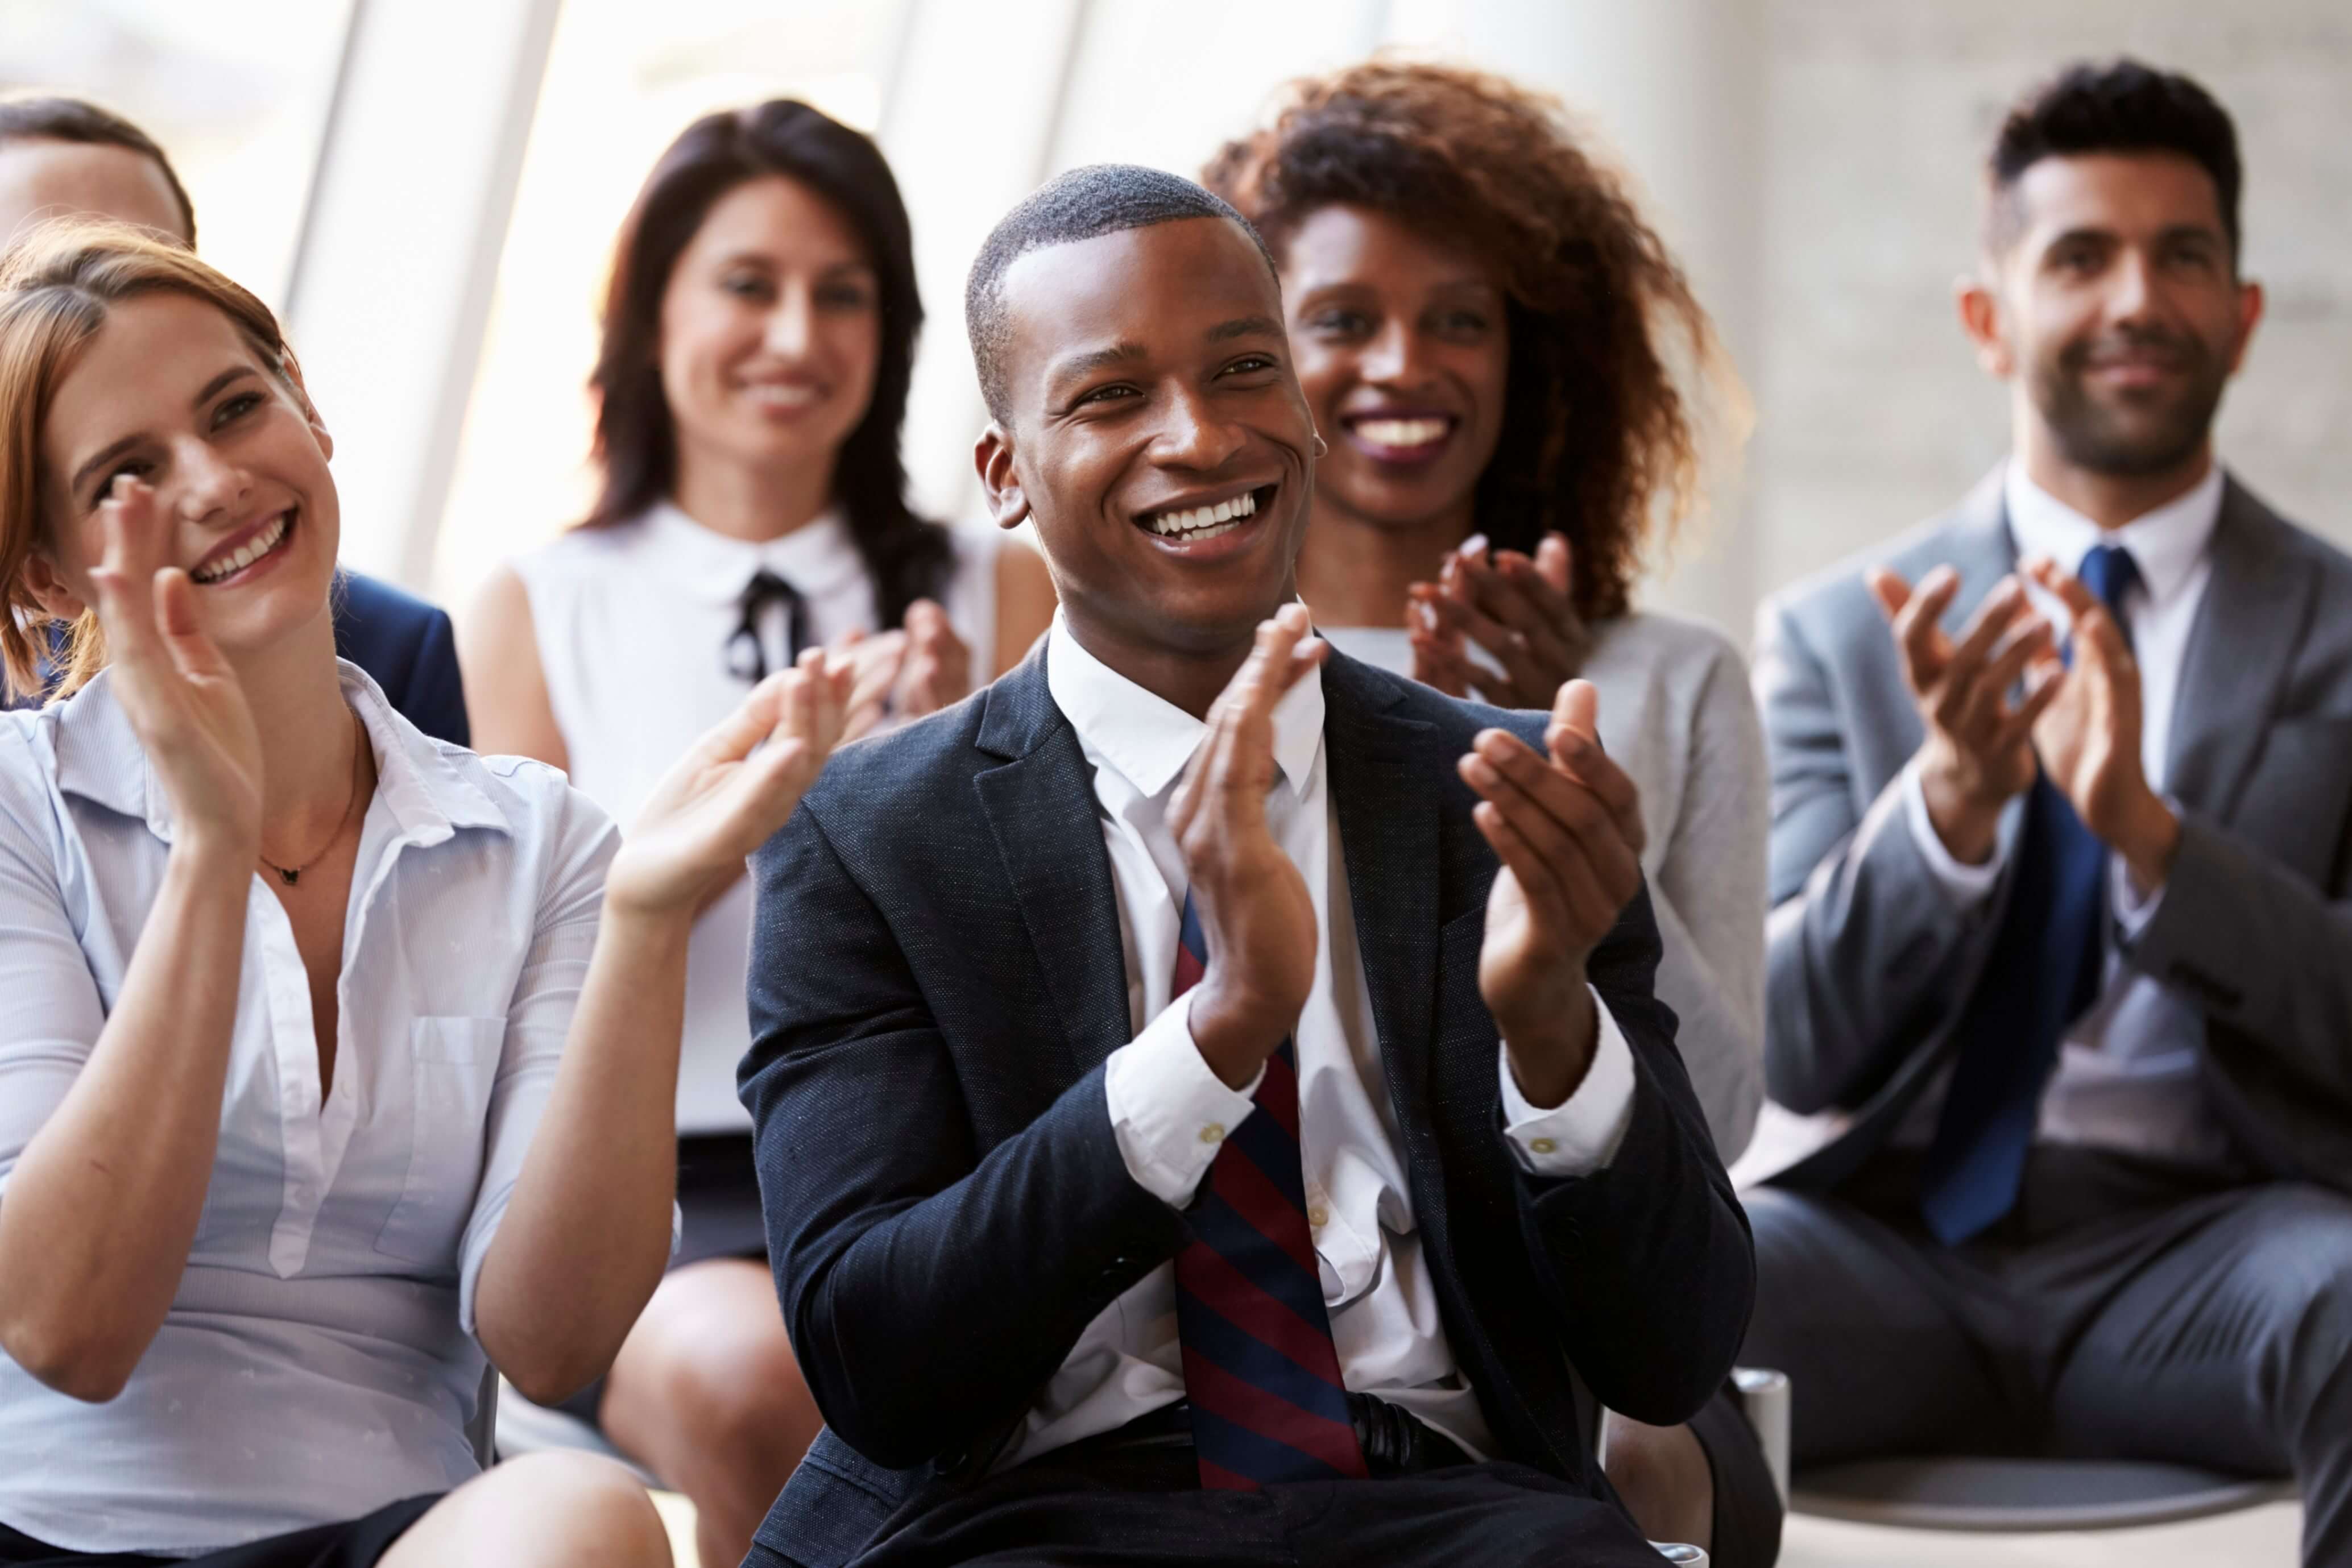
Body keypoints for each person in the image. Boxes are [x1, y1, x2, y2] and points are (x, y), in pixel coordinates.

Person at [735, 164, 1751, 1568]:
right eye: (1109, 397)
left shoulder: (1505, 792)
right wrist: (1210, 1045)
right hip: (1037, 1515)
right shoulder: (871, 835)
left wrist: (1553, 1037)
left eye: (1242, 371)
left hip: (1446, 1504)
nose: (1199, 438)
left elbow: (1671, 1354)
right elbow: (879, 1361)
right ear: (1003, 475)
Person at [0, 223, 853, 1566]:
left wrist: (641, 919)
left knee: (588, 1515)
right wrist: (213, 859)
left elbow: (550, 1337)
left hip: (398, 1534)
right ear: (50, 572)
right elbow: (69, 1329)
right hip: (50, 1531)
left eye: (237, 407)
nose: (217, 480)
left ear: (307, 409)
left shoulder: (537, 841)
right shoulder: (15, 808)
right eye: (130, 476)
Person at [1744, 60, 2352, 1567]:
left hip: (2214, 1250)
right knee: (1621, 1279)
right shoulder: (1835, 633)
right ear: (1989, 316)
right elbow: (1797, 1040)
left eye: (2183, 255)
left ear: (2242, 313)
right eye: (2081, 255)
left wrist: (2150, 832)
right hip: (1888, 1253)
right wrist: (1947, 808)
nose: (2137, 295)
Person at [458, 98, 1056, 1567]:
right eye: (747, 283)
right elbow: (500, 974)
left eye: (841, 292)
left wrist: (934, 791)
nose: (796, 334)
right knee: (752, 1382)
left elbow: (1069, 950)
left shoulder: (1001, 595)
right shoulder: (537, 606)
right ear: (652, 308)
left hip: (938, 1159)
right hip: (657, 1184)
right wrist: (772, 817)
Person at [1202, 63, 1773, 1562]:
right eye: (1342, 321)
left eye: (1462, 316)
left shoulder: (1665, 680)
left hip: (1587, 1346)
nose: (1409, 362)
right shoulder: (1189, 680)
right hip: (1264, 1330)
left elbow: (1719, 1119)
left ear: (1538, 352)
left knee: (1633, 1463)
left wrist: (1587, 838)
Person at [0, 93, 471, 745]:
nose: (92, 294)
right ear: (44, 576)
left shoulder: (400, 649)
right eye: (30, 284)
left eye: (138, 261)